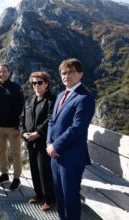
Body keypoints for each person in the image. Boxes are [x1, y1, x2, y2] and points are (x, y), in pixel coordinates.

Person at [46, 58, 95, 220]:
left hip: (71, 157)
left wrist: (56, 146)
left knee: (70, 197)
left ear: (80, 74)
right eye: (64, 73)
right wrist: (49, 144)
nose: (67, 76)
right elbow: (52, 121)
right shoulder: (61, 95)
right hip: (55, 154)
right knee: (60, 195)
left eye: (71, 72)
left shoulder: (85, 98)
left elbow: (77, 128)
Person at [19, 71, 56, 211]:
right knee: (34, 170)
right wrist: (23, 133)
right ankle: (39, 194)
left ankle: (50, 200)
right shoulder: (29, 101)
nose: (36, 85)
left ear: (46, 84)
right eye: (34, 83)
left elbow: (51, 119)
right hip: (30, 142)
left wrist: (37, 133)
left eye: (39, 82)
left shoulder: (51, 100)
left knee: (44, 171)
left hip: (42, 142)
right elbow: (21, 118)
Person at [0, 63, 24, 190]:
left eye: (4, 71)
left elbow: (21, 109)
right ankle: (4, 175)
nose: (2, 74)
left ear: (9, 72)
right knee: (0, 152)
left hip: (12, 128)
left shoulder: (16, 88)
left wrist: (17, 127)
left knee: (16, 153)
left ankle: (16, 178)